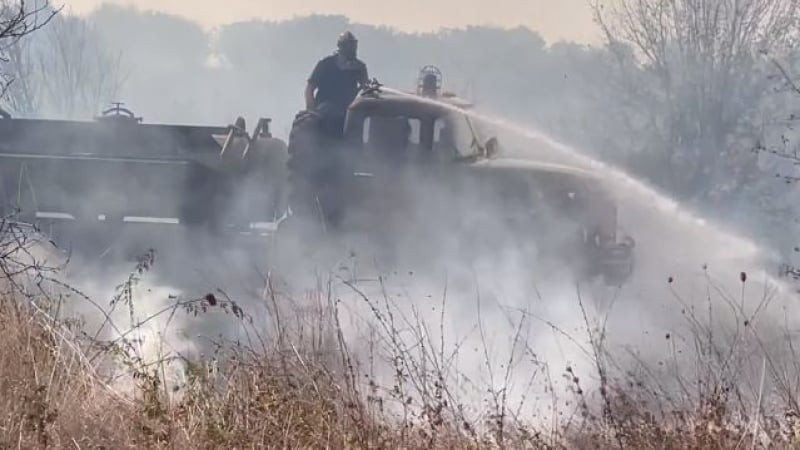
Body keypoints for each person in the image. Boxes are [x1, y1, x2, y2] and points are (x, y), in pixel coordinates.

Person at [304, 31, 369, 136]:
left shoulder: (359, 67)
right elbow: (310, 88)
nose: (352, 48)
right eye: (349, 45)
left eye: (353, 45)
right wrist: (311, 110)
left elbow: (365, 90)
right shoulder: (326, 64)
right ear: (341, 46)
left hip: (350, 108)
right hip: (325, 107)